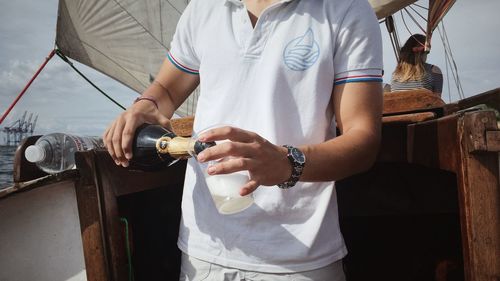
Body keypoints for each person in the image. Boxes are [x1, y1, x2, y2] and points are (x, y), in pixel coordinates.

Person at [103, 0, 383, 280]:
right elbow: (165, 89)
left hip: (300, 260)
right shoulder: (203, 7)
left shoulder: (346, 9)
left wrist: (287, 163)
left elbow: (363, 140)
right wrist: (146, 104)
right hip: (204, 252)